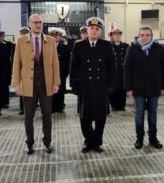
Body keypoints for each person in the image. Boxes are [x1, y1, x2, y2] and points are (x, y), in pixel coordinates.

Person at [12, 14, 60, 155]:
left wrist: (56, 82)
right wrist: (16, 83)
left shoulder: (50, 41)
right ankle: (29, 143)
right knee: (28, 116)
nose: (38, 25)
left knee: (47, 115)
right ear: (30, 24)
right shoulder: (21, 42)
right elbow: (16, 64)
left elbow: (55, 63)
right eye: (35, 22)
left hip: (46, 83)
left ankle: (47, 142)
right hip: (28, 84)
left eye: (40, 22)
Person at [70, 17, 116, 153]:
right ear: (87, 30)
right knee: (85, 117)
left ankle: (98, 142)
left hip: (102, 87)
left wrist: (111, 86)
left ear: (100, 31)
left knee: (101, 117)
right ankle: (88, 141)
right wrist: (73, 85)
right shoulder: (79, 46)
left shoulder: (107, 46)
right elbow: (73, 68)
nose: (94, 31)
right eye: (92, 28)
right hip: (85, 87)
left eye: (97, 29)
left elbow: (112, 68)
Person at [124, 26, 164, 149]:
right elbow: (127, 70)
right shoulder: (132, 49)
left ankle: (153, 138)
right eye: (142, 35)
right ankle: (139, 138)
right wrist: (128, 88)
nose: (145, 37)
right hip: (138, 88)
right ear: (139, 36)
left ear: (151, 36)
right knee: (139, 113)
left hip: (154, 87)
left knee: (153, 113)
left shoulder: (158, 49)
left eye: (147, 35)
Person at [49, 28, 70, 113]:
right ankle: (52, 107)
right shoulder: (46, 47)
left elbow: (67, 62)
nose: (54, 38)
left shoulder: (64, 47)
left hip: (61, 73)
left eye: (56, 36)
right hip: (50, 74)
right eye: (52, 36)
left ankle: (60, 107)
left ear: (59, 37)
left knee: (61, 91)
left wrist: (65, 75)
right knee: (51, 91)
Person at [109, 29, 129, 111]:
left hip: (122, 71)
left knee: (122, 89)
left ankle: (122, 105)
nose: (117, 36)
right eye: (115, 35)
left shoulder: (125, 46)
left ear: (121, 36)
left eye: (118, 35)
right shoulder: (109, 46)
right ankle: (114, 105)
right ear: (112, 36)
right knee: (113, 89)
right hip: (113, 71)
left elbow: (128, 59)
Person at [0, 30, 14, 108]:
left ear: (4, 36)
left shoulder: (9, 44)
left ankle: (6, 102)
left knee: (5, 87)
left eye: (2, 36)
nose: (1, 37)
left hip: (6, 69)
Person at [17, 27, 30, 115]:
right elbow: (14, 61)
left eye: (26, 33)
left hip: (31, 71)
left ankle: (31, 107)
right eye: (22, 33)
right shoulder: (17, 44)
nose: (24, 34)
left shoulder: (32, 43)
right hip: (22, 72)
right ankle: (22, 108)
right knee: (22, 92)